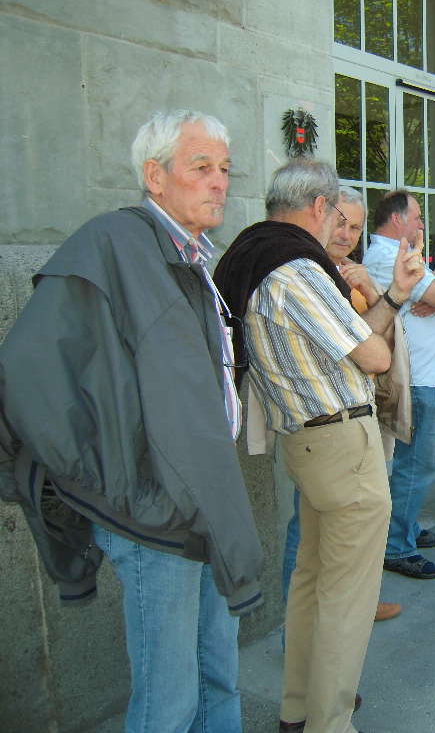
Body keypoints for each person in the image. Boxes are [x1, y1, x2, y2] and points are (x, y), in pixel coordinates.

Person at [0, 110, 263, 732]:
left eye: (225, 169)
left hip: (204, 496)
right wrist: (120, 486)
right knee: (168, 702)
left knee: (218, 680)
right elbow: (27, 375)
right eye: (202, 167)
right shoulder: (114, 242)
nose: (219, 182)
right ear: (155, 175)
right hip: (156, 516)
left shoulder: (191, 253)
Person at [214, 159, 424, 732]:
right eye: (336, 213)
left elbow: (352, 340)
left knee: (311, 580)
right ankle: (329, 725)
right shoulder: (296, 268)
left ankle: (298, 712)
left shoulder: (253, 255)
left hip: (307, 442)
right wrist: (389, 307)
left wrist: (394, 294)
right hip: (340, 440)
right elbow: (374, 355)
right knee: (346, 595)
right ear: (318, 206)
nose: (338, 225)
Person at [279, 186, 402, 623]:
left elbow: (387, 338)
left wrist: (371, 287)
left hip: (364, 408)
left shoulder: (351, 273)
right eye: (340, 222)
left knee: (350, 524)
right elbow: (358, 349)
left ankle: (359, 601)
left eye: (356, 227)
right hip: (324, 421)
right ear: (321, 217)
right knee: (309, 531)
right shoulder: (308, 275)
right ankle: (304, 628)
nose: (346, 234)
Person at [363, 191, 435, 580]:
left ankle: (404, 527)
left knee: (414, 463)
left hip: (424, 375)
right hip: (416, 377)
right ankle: (396, 547)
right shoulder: (390, 257)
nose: (422, 224)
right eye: (417, 217)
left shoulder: (402, 255)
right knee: (416, 464)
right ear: (397, 219)